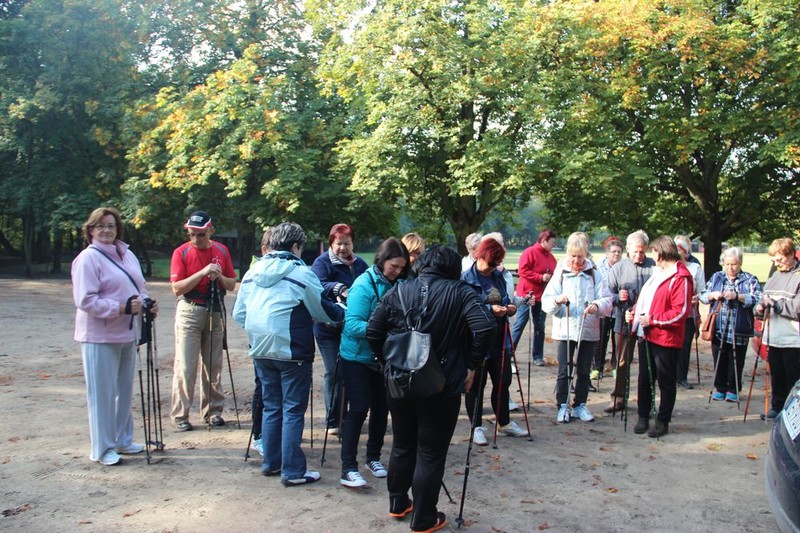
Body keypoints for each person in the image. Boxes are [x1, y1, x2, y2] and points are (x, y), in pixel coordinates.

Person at [367, 246, 495, 533]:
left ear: (422, 265)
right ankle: (424, 518)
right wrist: (472, 365)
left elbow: (373, 331)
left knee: (402, 444)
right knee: (430, 452)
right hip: (443, 384)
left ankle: (398, 503)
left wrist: (387, 362)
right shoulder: (461, 292)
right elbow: (486, 327)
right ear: (452, 267)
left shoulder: (399, 290)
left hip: (399, 382)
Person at [232, 222, 344, 486]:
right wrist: (343, 312)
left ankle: (272, 462)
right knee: (293, 410)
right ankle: (293, 471)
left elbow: (239, 314)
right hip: (293, 350)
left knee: (272, 406)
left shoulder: (252, 271)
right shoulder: (301, 273)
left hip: (260, 349)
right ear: (295, 247)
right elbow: (321, 312)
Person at [71, 207, 159, 466]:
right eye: (100, 226)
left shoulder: (127, 254)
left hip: (127, 332)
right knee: (102, 393)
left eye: (110, 225)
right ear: (90, 231)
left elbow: (138, 288)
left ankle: (122, 439)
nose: (106, 230)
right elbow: (85, 300)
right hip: (99, 336)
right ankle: (102, 448)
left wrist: (147, 304)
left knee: (123, 389)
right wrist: (120, 308)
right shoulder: (88, 259)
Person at [339, 237, 409, 488]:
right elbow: (352, 324)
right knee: (358, 409)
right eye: (394, 266)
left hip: (384, 358)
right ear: (382, 260)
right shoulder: (363, 286)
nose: (398, 272)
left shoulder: (400, 284)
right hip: (356, 357)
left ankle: (373, 458)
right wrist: (382, 329)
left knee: (382, 408)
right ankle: (348, 467)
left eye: (402, 268)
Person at [169, 211, 237, 431]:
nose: (196, 239)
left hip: (215, 310)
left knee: (213, 364)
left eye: (200, 234)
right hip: (190, 309)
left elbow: (231, 284)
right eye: (192, 234)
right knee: (186, 365)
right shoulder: (181, 252)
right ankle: (180, 415)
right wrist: (202, 273)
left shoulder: (221, 250)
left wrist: (219, 277)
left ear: (210, 230)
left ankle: (213, 411)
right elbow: (177, 288)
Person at [462, 238, 529, 445]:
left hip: (500, 339)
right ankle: (477, 427)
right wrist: (489, 309)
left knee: (503, 382)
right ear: (478, 256)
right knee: (476, 385)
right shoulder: (466, 279)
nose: (493, 267)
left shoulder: (498, 277)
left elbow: (506, 299)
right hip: (477, 340)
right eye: (490, 263)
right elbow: (465, 307)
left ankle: (505, 422)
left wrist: (510, 308)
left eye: (497, 263)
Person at [625, 236, 693, 438]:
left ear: (662, 252)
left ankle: (663, 420)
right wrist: (634, 312)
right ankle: (643, 416)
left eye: (653, 251)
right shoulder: (658, 274)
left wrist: (652, 319)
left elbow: (680, 312)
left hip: (666, 338)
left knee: (665, 381)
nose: (650, 255)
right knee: (645, 379)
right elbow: (647, 300)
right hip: (646, 334)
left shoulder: (681, 277)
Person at [542, 232, 612, 423]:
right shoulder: (561, 273)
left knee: (583, 369)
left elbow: (606, 299)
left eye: (580, 256)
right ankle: (562, 405)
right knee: (564, 369)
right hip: (564, 329)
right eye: (573, 255)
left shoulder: (594, 273)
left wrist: (596, 306)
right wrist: (558, 299)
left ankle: (580, 404)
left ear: (585, 254)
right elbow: (546, 301)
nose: (576, 260)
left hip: (588, 328)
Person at [310, 224, 369, 435]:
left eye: (347, 243)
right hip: (328, 328)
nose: (343, 248)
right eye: (339, 244)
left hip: (352, 327)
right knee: (334, 372)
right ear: (331, 244)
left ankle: (352, 417)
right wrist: (338, 288)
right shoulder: (322, 262)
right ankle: (334, 419)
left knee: (353, 370)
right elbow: (316, 284)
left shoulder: (360, 264)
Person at [605, 230, 656, 413]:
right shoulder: (618, 268)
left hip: (648, 324)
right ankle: (618, 397)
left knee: (648, 363)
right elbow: (607, 295)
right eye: (635, 251)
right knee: (621, 362)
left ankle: (646, 401)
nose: (638, 255)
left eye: (642, 251)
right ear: (628, 249)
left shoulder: (654, 267)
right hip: (623, 321)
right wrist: (618, 297)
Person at [699, 247, 759, 401]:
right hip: (718, 326)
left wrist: (737, 296)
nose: (730, 268)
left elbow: (757, 298)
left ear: (740, 263)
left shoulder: (749, 279)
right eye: (727, 264)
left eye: (734, 264)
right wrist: (713, 295)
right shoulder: (717, 277)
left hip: (739, 327)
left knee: (737, 359)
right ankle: (720, 387)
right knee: (719, 355)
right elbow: (703, 296)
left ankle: (733, 388)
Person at [755, 238, 800, 420]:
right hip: (773, 336)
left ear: (791, 255)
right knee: (776, 376)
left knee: (793, 378)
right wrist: (759, 308)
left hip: (793, 338)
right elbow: (762, 299)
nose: (777, 263)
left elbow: (797, 308)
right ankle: (776, 408)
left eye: (780, 259)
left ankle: (792, 414)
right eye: (774, 260)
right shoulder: (774, 276)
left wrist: (775, 304)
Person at [511, 229, 558, 366]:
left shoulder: (551, 257)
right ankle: (509, 352)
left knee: (540, 326)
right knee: (520, 322)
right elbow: (522, 270)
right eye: (551, 243)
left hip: (542, 296)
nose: (553, 246)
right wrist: (540, 277)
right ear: (543, 241)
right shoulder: (529, 252)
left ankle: (538, 355)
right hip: (526, 294)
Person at [249, 227, 273, 458]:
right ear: (264, 249)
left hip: (264, 340)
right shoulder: (254, 271)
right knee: (263, 388)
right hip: (261, 341)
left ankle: (271, 433)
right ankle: (258, 434)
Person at [675, 235, 707, 390]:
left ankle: (681, 376)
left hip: (689, 313)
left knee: (685, 344)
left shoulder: (695, 268)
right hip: (671, 313)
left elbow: (703, 291)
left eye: (682, 249)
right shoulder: (665, 268)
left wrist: (697, 298)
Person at [590, 237, 624, 386]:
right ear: (607, 253)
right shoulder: (598, 266)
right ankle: (597, 367)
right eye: (613, 251)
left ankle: (615, 366)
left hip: (619, 309)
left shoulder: (624, 267)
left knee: (618, 341)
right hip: (604, 309)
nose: (616, 254)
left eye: (619, 252)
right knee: (601, 339)